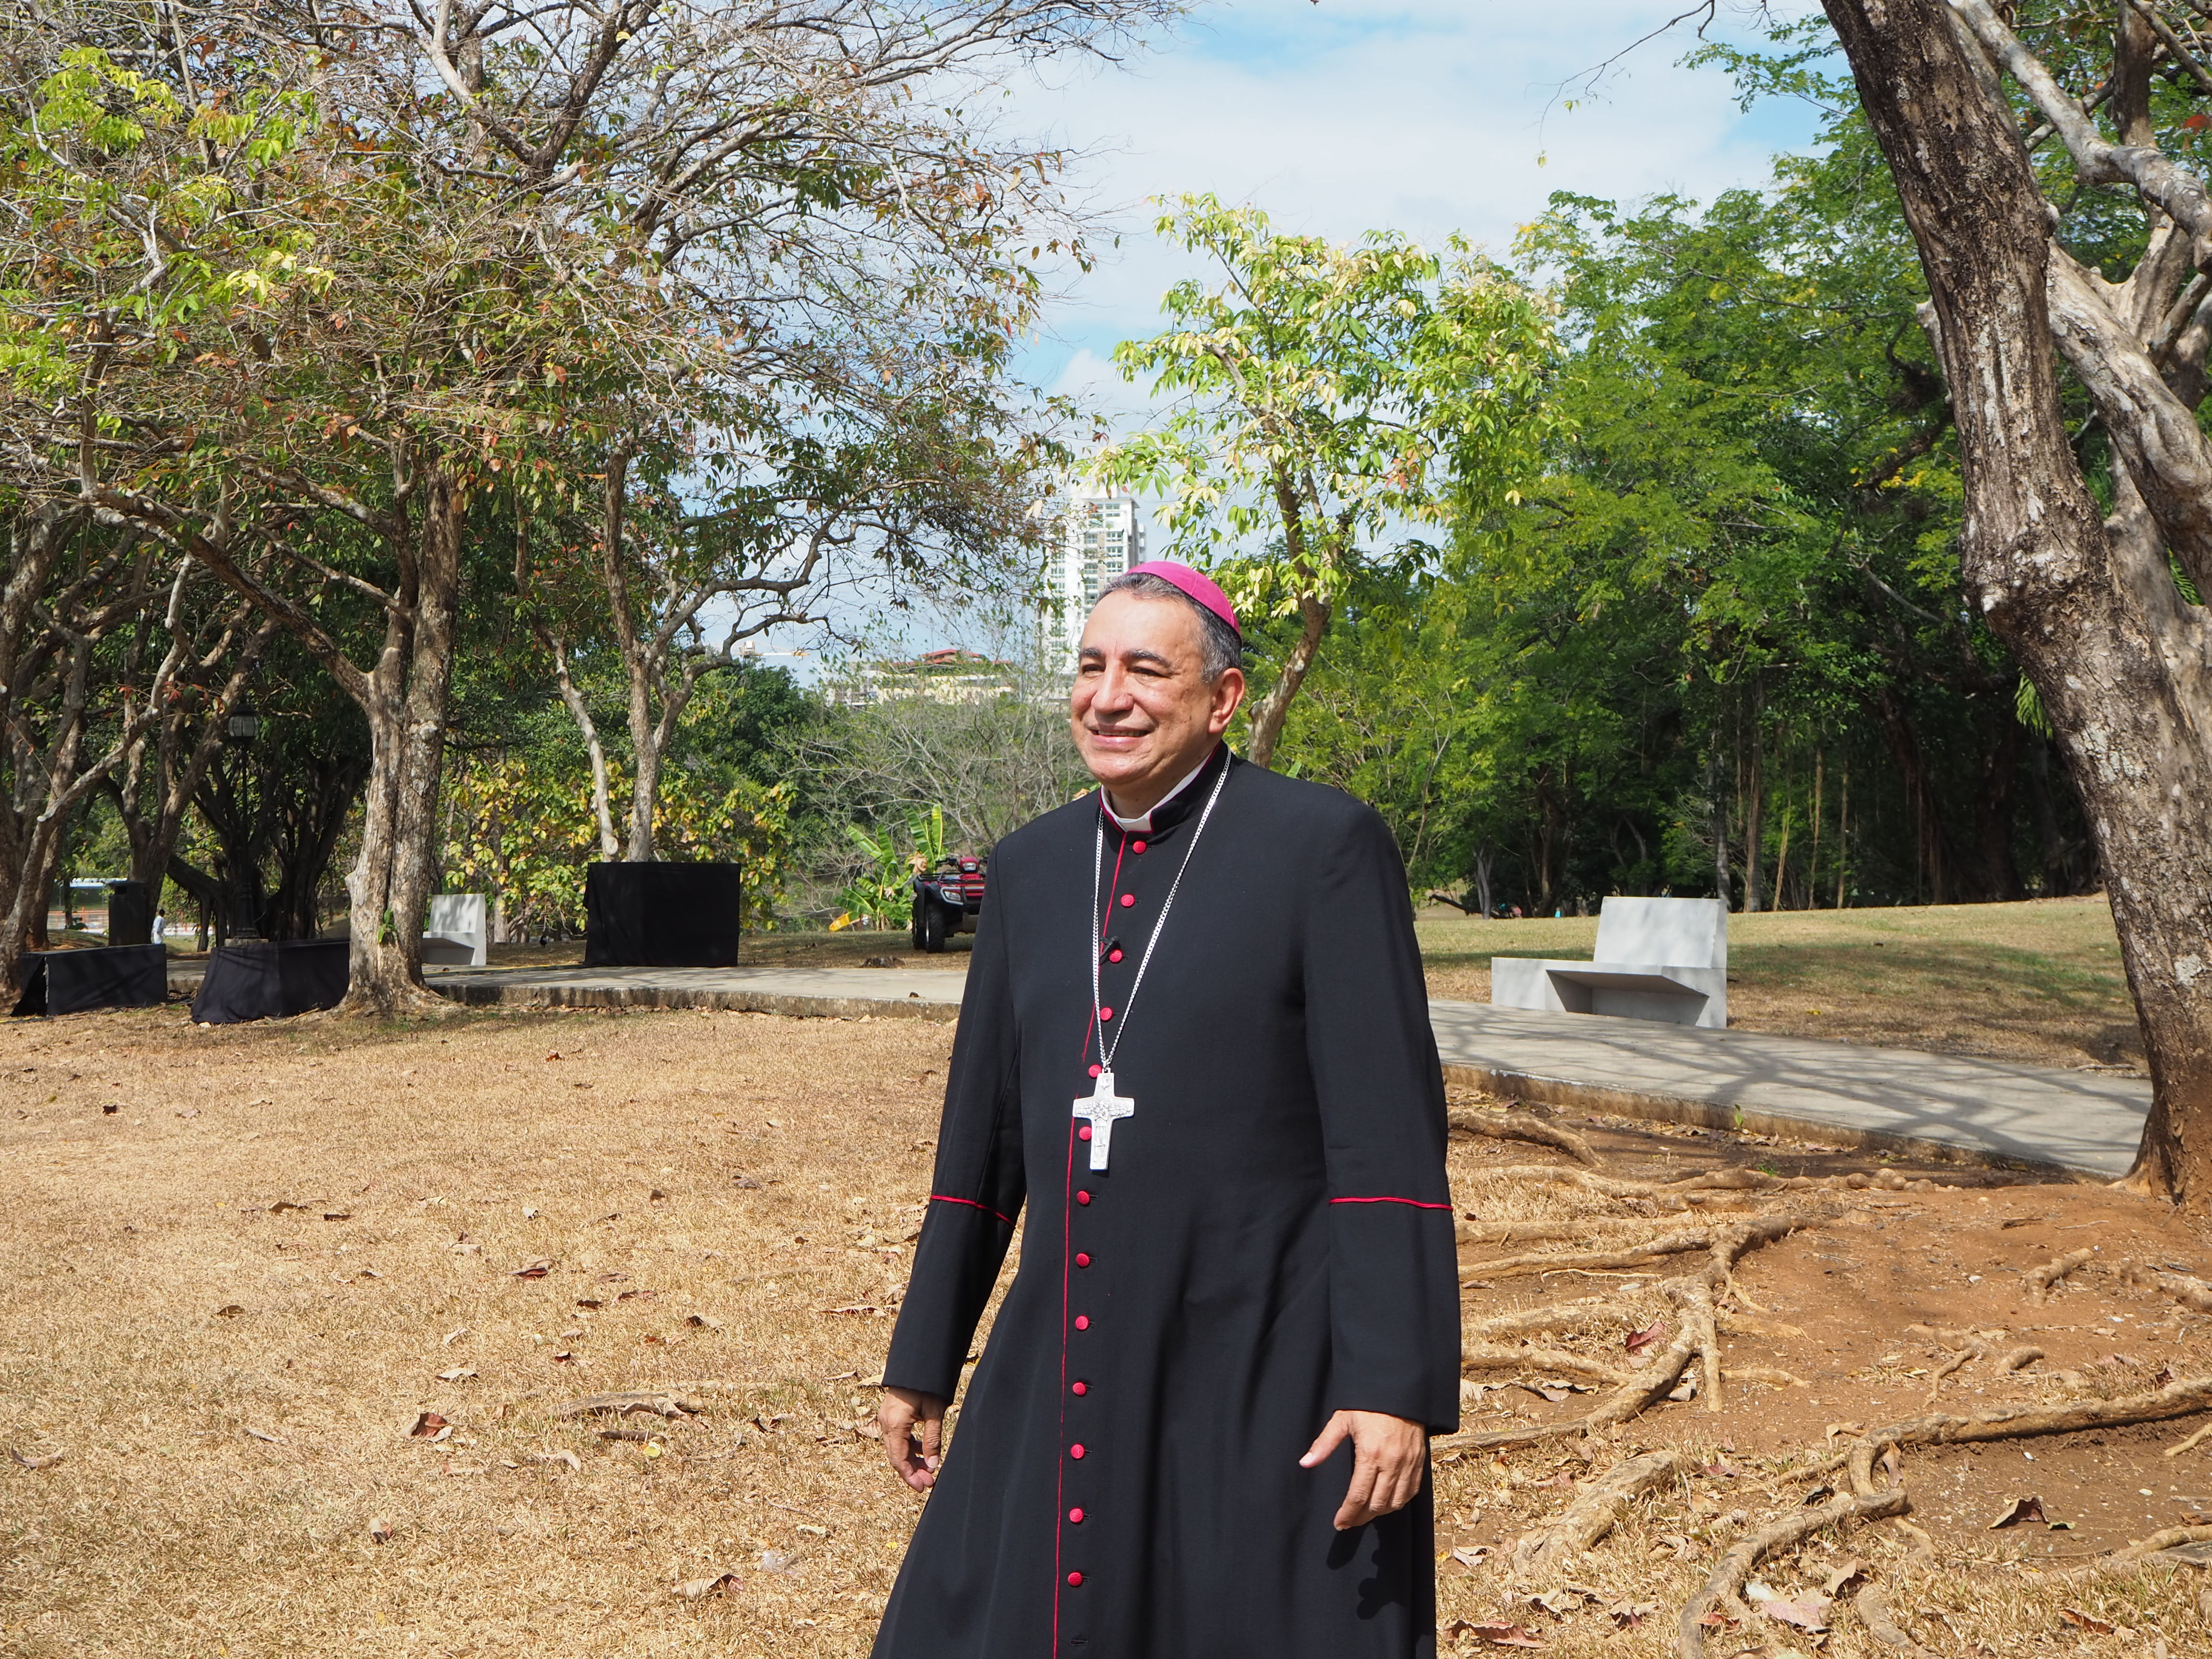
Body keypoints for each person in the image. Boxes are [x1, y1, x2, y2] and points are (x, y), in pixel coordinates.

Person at [872, 561, 1459, 1659]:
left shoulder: (1323, 848)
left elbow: (1388, 1142)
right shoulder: (1031, 870)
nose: (1110, 697)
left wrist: (1392, 1384)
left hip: (1264, 1347)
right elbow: (982, 1149)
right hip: (1067, 1342)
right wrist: (923, 1360)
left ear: (1223, 697)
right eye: (1091, 667)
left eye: (1146, 670)